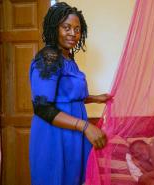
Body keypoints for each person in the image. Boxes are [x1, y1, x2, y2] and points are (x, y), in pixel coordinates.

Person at [29, 2, 111, 185]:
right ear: (54, 28)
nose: (73, 34)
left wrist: (96, 98)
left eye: (77, 29)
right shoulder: (49, 57)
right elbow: (42, 107)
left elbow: (66, 96)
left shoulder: (67, 57)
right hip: (55, 134)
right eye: (66, 28)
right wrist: (85, 126)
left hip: (73, 132)